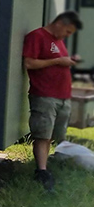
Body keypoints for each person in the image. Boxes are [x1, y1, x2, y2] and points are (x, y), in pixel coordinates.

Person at [23, 11, 83, 192]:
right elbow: (29, 63)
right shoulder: (37, 36)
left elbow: (58, 61)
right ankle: (41, 171)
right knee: (43, 134)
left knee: (56, 134)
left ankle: (52, 162)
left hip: (62, 96)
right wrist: (58, 61)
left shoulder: (58, 41)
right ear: (59, 23)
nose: (67, 36)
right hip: (45, 95)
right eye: (68, 31)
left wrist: (69, 60)